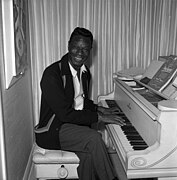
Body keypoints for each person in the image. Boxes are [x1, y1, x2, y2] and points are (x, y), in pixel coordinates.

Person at [35, 27, 125, 180]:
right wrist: (98, 117)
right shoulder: (52, 74)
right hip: (53, 130)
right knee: (94, 139)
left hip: (71, 125)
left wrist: (100, 109)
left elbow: (80, 101)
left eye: (85, 49)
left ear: (90, 51)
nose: (80, 53)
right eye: (76, 47)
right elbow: (65, 113)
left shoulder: (84, 72)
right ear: (68, 45)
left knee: (90, 156)